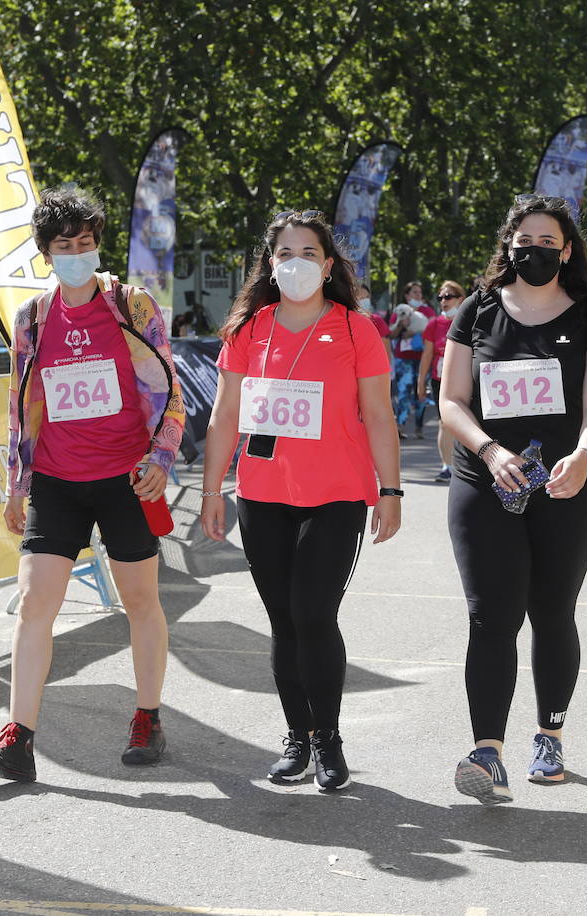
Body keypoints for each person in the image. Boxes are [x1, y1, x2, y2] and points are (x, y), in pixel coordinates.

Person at [0, 186, 185, 783]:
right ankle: (18, 738)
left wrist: (161, 457)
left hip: (126, 479)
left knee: (140, 602)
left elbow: (170, 388)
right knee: (36, 602)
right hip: (58, 481)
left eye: (86, 244)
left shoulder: (132, 306)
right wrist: (16, 483)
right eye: (65, 246)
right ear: (46, 255)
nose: (77, 254)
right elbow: (19, 406)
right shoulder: (32, 318)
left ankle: (148, 718)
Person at [200, 209, 402, 792]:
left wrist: (390, 491)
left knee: (315, 615)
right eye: (284, 254)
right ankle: (296, 737)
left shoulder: (355, 328)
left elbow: (380, 416)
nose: (296, 264)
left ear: (328, 264)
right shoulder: (249, 329)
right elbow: (225, 417)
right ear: (269, 263)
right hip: (262, 497)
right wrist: (214, 491)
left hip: (337, 496)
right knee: (284, 622)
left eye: (308, 254)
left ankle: (328, 739)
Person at [439, 194, 587, 805]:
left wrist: (586, 453)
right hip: (483, 481)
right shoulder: (476, 310)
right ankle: (487, 753)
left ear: (566, 251)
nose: (535, 251)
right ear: (509, 244)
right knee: (491, 616)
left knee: (551, 611)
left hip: (567, 484)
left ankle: (549, 733)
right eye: (526, 241)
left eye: (549, 243)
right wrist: (490, 452)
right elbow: (451, 400)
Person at [418, 281, 463, 481]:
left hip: (463, 377)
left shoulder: (468, 320)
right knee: (444, 423)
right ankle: (447, 467)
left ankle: (464, 465)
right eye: (440, 297)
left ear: (460, 298)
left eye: (449, 296)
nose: (444, 301)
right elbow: (427, 355)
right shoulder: (434, 324)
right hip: (439, 380)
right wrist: (421, 382)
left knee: (464, 421)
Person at [389, 303, 429, 438]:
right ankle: (399, 427)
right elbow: (391, 335)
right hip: (403, 360)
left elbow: (429, 333)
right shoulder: (397, 314)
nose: (417, 296)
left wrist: (414, 332)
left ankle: (419, 427)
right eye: (414, 293)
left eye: (419, 293)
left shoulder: (423, 315)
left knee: (421, 393)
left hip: (420, 358)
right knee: (402, 394)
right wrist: (400, 324)